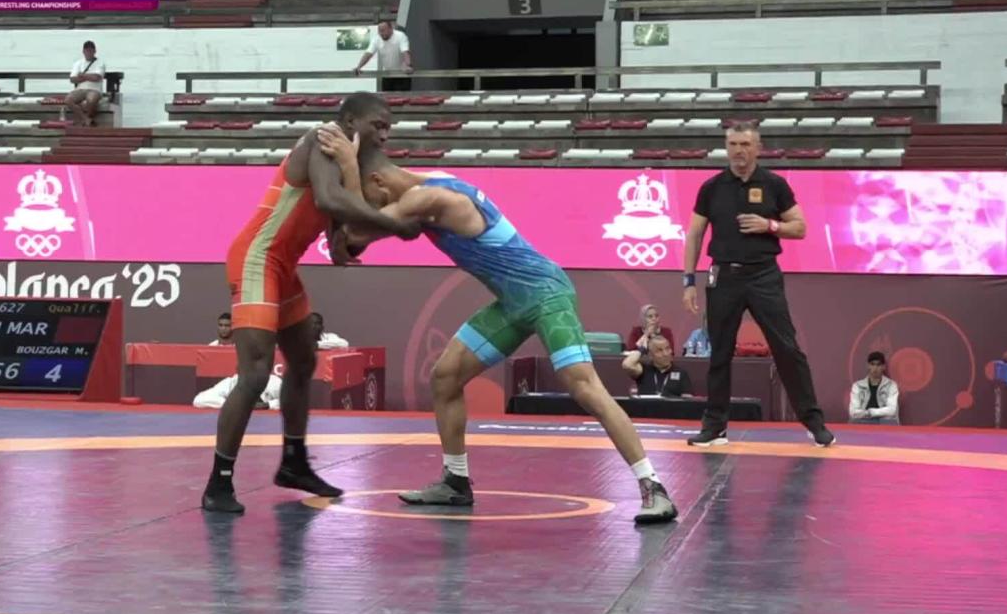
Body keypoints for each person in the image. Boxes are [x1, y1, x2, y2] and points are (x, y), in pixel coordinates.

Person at [325, 140, 676, 524]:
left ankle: (654, 487)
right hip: (513, 303)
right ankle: (456, 481)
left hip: (547, 294)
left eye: (372, 197)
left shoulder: (427, 199)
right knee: (446, 376)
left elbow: (354, 235)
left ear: (378, 181)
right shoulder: (435, 180)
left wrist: (347, 167)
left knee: (585, 387)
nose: (374, 206)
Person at [202, 92, 421, 514]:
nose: (385, 135)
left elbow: (340, 243)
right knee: (255, 374)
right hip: (257, 259)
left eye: (389, 128)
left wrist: (354, 237)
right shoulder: (322, 139)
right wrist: (392, 224)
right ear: (351, 121)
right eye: (378, 125)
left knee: (303, 361)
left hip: (282, 267)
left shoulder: (351, 163)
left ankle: (294, 462)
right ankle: (218, 482)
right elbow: (327, 200)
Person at [681, 122, 834, 447]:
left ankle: (814, 423)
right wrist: (688, 280)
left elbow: (800, 227)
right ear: (727, 148)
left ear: (758, 148)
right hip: (723, 275)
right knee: (719, 352)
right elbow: (694, 234)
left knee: (787, 348)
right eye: (733, 144)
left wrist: (769, 225)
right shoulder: (712, 187)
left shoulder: (774, 184)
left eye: (745, 144)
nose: (739, 150)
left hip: (764, 275)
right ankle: (715, 427)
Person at [622, 335, 691, 398]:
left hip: (670, 407)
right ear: (650, 355)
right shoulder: (643, 370)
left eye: (667, 349)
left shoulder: (681, 373)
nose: (665, 354)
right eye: (659, 350)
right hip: (646, 407)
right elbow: (627, 365)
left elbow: (688, 400)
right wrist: (642, 350)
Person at [353, 21, 413, 92]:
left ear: (391, 29)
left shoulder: (400, 36)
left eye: (383, 30)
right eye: (380, 31)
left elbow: (405, 52)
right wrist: (359, 66)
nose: (381, 33)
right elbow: (368, 54)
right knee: (386, 96)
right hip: (387, 74)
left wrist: (407, 65)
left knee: (401, 96)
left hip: (402, 74)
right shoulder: (376, 39)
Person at [849, 351, 900, 425]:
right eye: (872, 364)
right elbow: (853, 411)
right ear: (868, 366)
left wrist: (870, 412)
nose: (875, 368)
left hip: (884, 422)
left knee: (890, 422)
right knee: (853, 421)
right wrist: (868, 414)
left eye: (878, 365)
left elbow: (892, 410)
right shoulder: (857, 386)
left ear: (883, 367)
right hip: (863, 422)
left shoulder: (891, 385)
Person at [65, 40, 106, 127]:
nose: (89, 53)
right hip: (80, 89)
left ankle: (86, 119)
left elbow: (97, 78)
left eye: (91, 51)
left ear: (95, 51)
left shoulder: (100, 63)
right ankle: (86, 119)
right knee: (68, 100)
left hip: (95, 89)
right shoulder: (78, 63)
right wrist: (89, 77)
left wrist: (82, 75)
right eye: (87, 51)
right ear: (83, 51)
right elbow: (72, 79)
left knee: (91, 100)